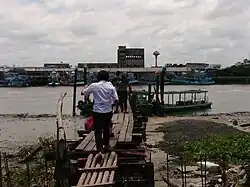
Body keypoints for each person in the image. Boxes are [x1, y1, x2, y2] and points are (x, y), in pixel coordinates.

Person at [81, 70, 119, 153]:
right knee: (106, 129)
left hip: (98, 111)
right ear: (107, 77)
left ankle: (99, 148)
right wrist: (116, 109)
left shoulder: (94, 86)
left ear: (98, 77)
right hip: (108, 111)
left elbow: (83, 93)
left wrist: (85, 88)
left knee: (98, 130)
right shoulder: (111, 86)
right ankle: (106, 145)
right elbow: (116, 99)